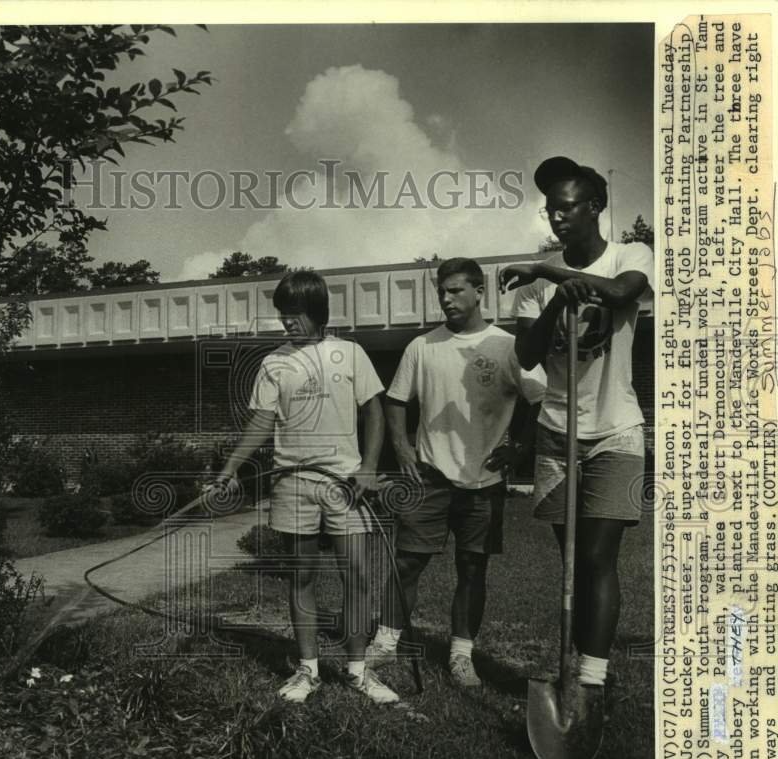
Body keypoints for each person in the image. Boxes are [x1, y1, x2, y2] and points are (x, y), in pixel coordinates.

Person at [499, 156, 654, 692]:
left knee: (597, 555)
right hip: (557, 432)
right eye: (550, 210)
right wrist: (551, 301)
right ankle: (577, 666)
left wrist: (549, 271)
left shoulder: (630, 254)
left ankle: (591, 676)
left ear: (595, 208)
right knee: (571, 560)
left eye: (566, 208)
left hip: (617, 432)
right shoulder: (537, 287)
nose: (556, 218)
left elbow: (619, 294)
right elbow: (525, 356)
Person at [216, 270, 399, 704]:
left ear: (318, 313)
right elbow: (262, 422)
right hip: (292, 483)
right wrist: (230, 469)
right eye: (283, 315)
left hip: (346, 485)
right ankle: (308, 670)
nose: (288, 323)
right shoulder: (273, 363)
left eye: (296, 314)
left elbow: (373, 411)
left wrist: (370, 467)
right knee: (303, 577)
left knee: (355, 576)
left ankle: (358, 671)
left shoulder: (350, 353)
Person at [366, 257, 546, 687]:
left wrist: (519, 447)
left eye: (455, 290)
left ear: (479, 291)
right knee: (408, 563)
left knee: (472, 568)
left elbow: (538, 399)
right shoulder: (422, 346)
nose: (446, 299)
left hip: (484, 481)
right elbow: (396, 400)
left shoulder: (506, 346)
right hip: (429, 477)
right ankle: (386, 641)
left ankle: (461, 655)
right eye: (441, 291)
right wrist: (402, 447)